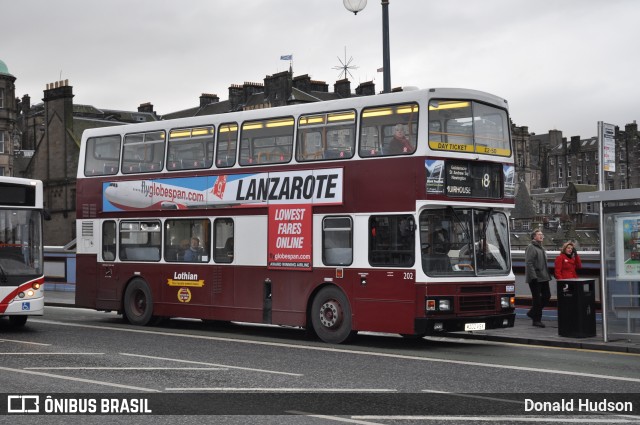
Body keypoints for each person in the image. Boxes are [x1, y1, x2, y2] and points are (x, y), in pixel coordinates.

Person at [524, 229, 552, 328]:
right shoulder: (531, 247)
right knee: (537, 300)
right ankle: (536, 320)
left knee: (547, 296)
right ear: (534, 237)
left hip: (544, 277)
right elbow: (529, 263)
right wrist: (533, 277)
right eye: (539, 234)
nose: (541, 236)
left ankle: (532, 312)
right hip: (535, 278)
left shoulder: (541, 248)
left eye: (542, 234)